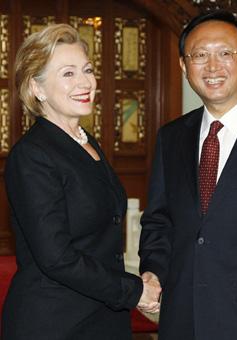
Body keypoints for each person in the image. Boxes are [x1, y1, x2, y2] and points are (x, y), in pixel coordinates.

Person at [138, 9, 237, 340]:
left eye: (225, 53)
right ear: (183, 65)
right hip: (182, 319)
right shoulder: (171, 137)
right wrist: (153, 272)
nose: (212, 67)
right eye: (200, 55)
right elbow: (159, 221)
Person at [1, 24, 160, 340]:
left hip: (101, 316)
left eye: (87, 70)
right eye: (68, 73)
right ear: (38, 88)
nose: (85, 82)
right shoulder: (32, 155)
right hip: (55, 323)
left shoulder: (87, 142)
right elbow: (56, 257)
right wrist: (134, 290)